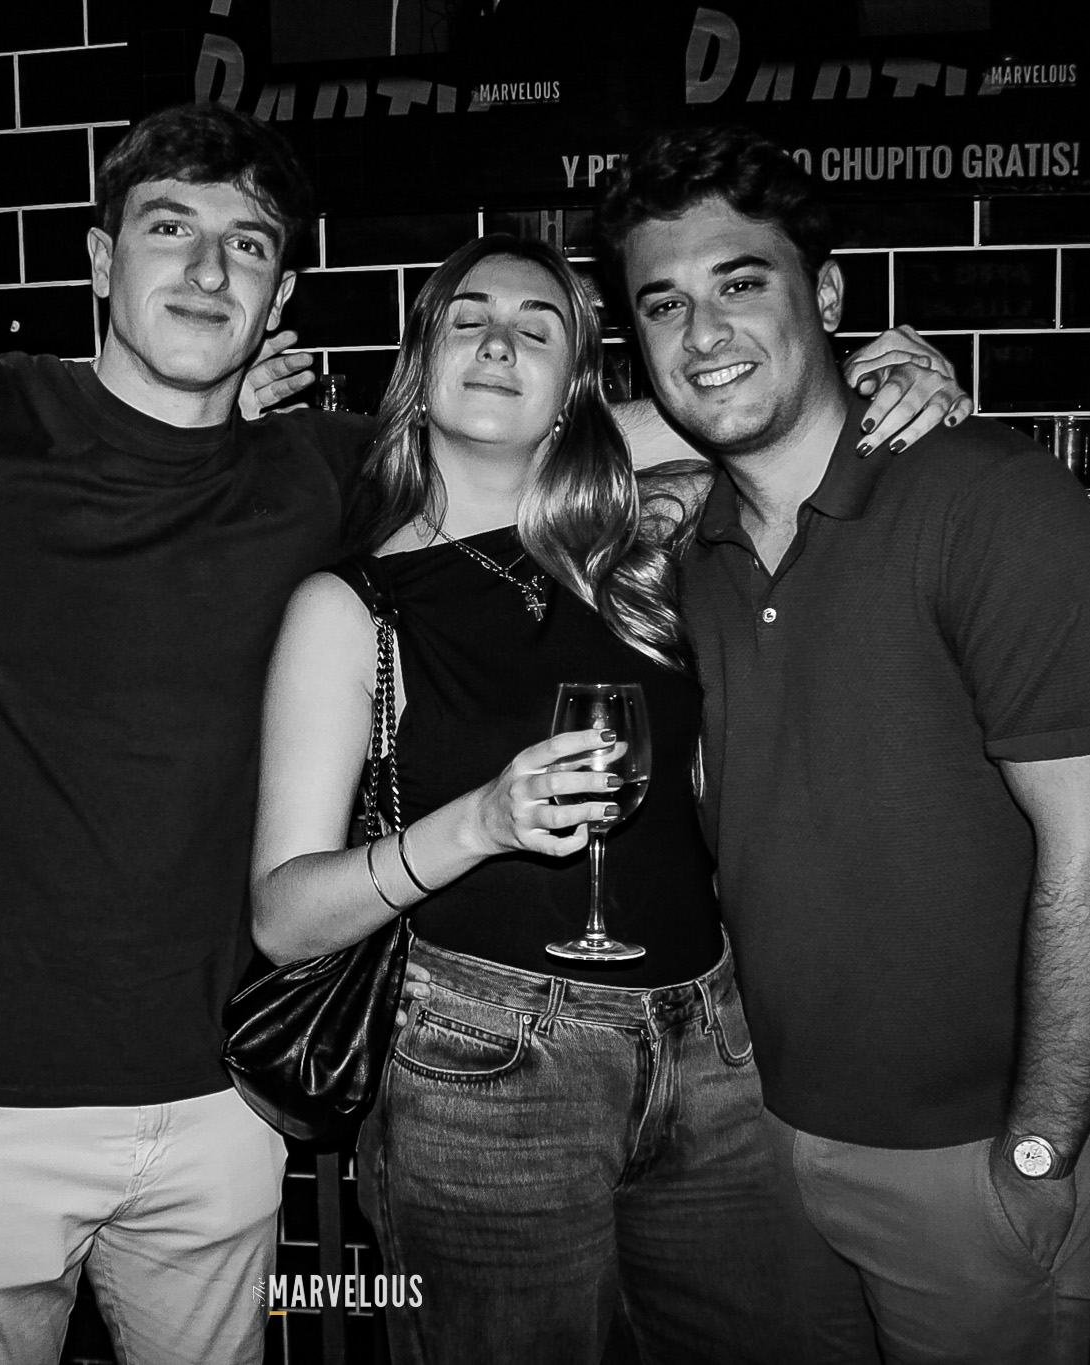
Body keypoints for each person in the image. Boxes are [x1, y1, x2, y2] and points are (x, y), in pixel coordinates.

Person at [0, 104, 968, 1365]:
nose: (206, 269)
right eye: (169, 231)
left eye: (246, 246)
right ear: (98, 262)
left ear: (281, 295)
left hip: (228, 1100)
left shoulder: (322, 467)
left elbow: (550, 432)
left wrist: (847, 390)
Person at [599, 124, 1090, 1364]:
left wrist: (1036, 1150)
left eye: (741, 283)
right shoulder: (690, 543)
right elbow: (492, 449)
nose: (702, 331)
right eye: (663, 305)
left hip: (969, 1156)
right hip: (761, 1133)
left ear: (830, 296)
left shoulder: (986, 498)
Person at [251, 232, 791, 1364]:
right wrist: (479, 824)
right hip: (491, 1071)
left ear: (573, 392)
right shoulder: (353, 606)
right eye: (469, 321)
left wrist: (897, 382)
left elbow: (765, 418)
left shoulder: (644, 557)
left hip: (716, 1049)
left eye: (536, 330)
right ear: (419, 370)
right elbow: (283, 917)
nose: (499, 343)